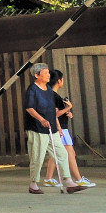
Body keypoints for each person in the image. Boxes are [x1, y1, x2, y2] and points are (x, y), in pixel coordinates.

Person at [24, 63, 82, 194]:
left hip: (52, 128)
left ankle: (69, 182)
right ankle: (33, 184)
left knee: (62, 153)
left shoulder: (49, 90)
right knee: (38, 156)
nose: (48, 75)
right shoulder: (32, 89)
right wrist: (41, 119)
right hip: (37, 128)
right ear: (36, 75)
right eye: (45, 73)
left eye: (48, 73)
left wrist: (58, 126)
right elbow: (29, 108)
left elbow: (53, 110)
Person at [44, 70, 96, 188]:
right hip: (61, 129)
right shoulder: (55, 96)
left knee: (56, 153)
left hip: (59, 128)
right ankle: (78, 179)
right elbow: (54, 114)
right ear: (59, 81)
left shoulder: (49, 94)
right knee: (70, 153)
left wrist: (67, 112)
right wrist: (69, 107)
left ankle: (48, 178)